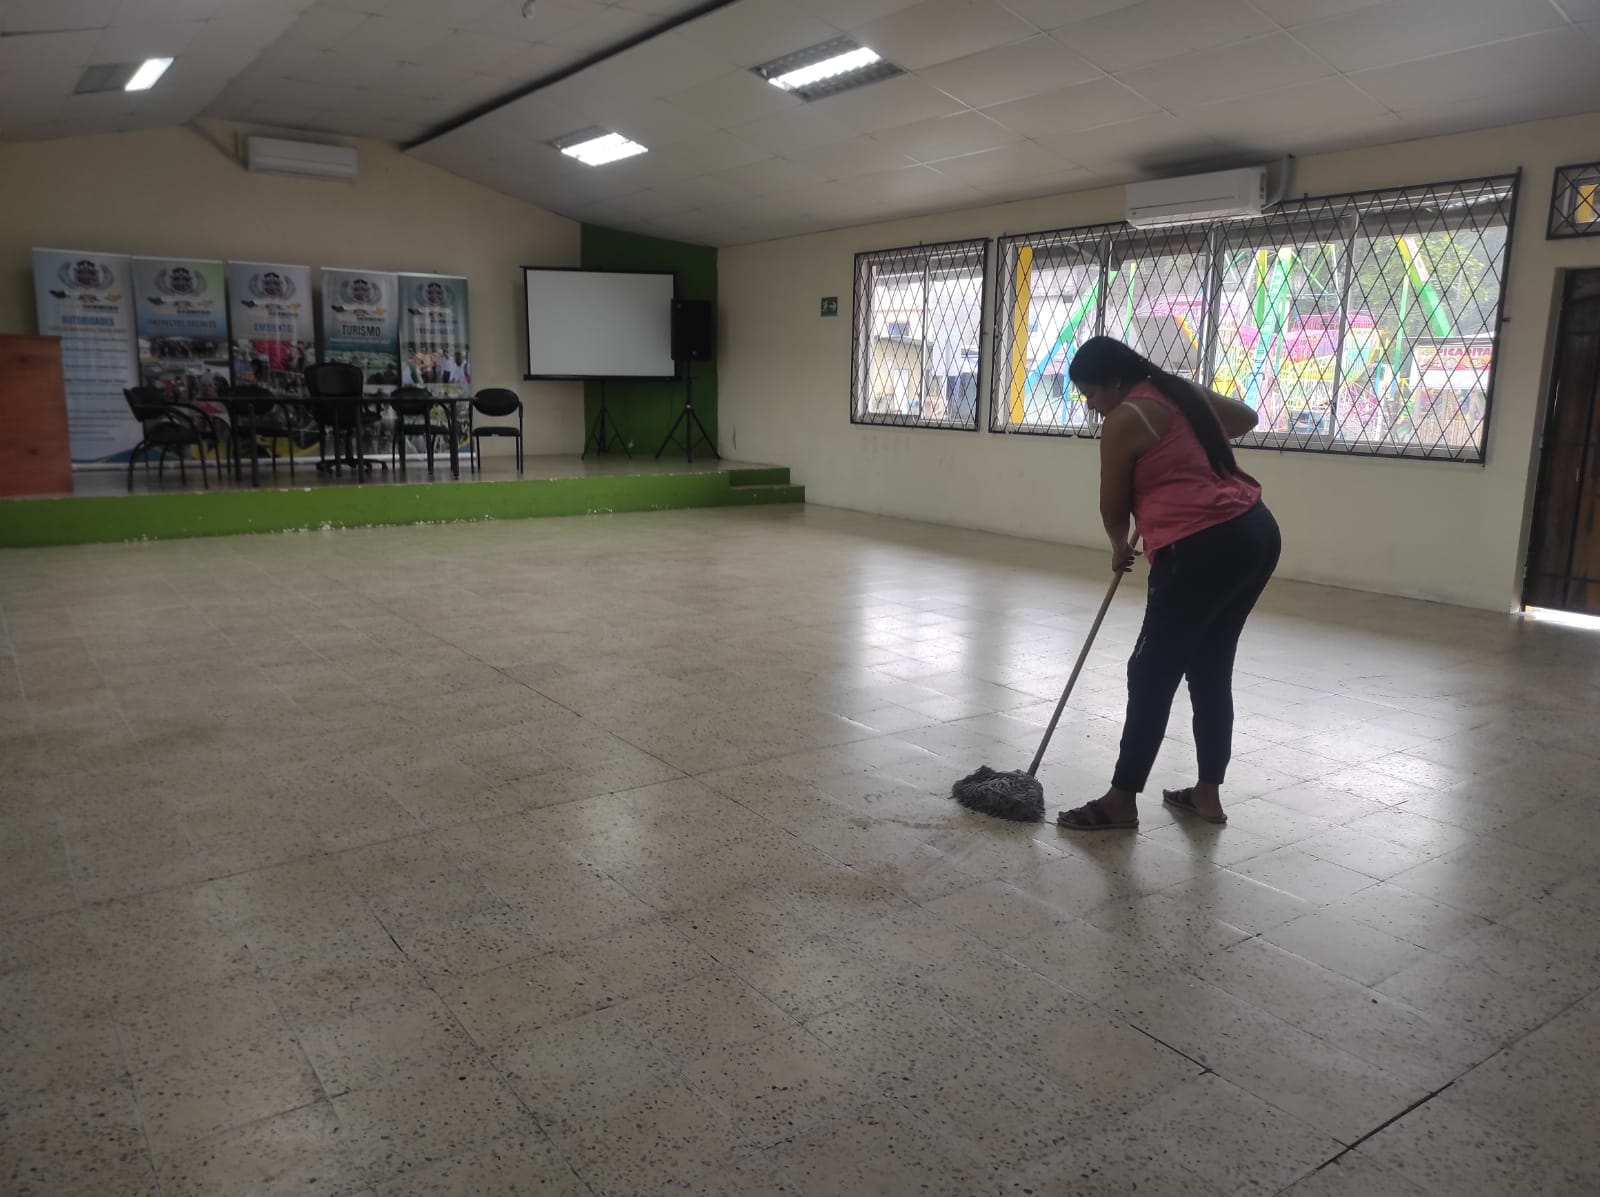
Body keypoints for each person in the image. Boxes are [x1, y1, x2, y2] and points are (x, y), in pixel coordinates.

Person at [1056, 335, 1281, 832]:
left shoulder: (1125, 419)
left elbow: (1112, 504)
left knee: (1150, 672)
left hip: (1200, 547)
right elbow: (1245, 419)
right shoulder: (1179, 391)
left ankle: (1120, 802)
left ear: (1115, 382)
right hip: (1255, 532)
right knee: (1210, 664)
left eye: (1091, 393)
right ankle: (1206, 795)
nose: (1091, 406)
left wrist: (1119, 544)